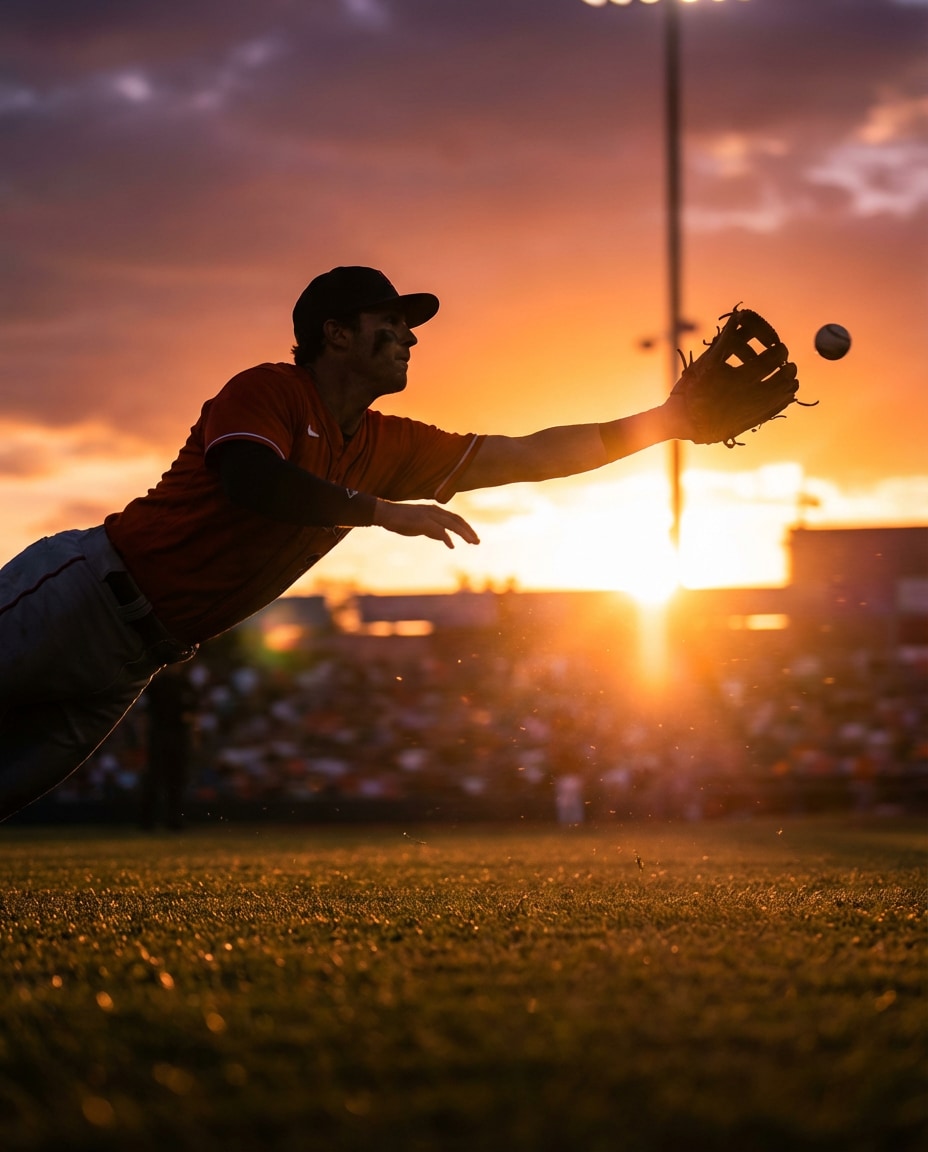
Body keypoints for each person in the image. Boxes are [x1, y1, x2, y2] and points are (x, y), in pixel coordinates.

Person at [0, 265, 713, 822]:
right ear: (336, 334)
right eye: (392, 321)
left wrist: (664, 422)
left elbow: (523, 455)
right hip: (84, 592)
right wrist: (378, 511)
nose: (409, 336)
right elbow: (253, 480)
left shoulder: (387, 442)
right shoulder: (268, 390)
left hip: (140, 658)